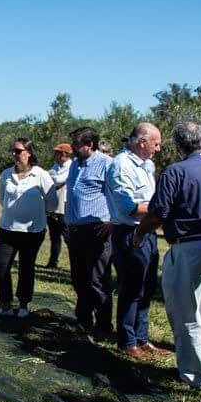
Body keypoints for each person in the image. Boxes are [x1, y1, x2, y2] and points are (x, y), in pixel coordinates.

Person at [136, 121, 201, 388]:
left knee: (185, 311)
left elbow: (158, 212)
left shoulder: (175, 171)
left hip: (189, 247)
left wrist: (139, 233)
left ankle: (193, 375)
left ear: (178, 145)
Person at [106, 122, 167, 359]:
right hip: (129, 233)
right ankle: (127, 341)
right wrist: (161, 208)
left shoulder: (146, 165)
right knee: (131, 287)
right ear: (142, 142)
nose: (158, 149)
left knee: (147, 286)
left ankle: (142, 338)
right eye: (156, 144)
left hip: (147, 230)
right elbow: (128, 206)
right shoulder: (121, 166)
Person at [0, 139, 55, 317]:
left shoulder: (40, 175)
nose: (15, 154)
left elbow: (52, 201)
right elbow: (2, 197)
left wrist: (39, 212)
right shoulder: (7, 174)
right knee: (1, 265)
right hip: (8, 228)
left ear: (29, 153)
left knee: (26, 267)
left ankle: (23, 306)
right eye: (13, 150)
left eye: (18, 151)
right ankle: (5, 305)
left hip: (32, 231)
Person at [65, 127, 114, 341]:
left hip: (97, 228)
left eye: (76, 144)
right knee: (79, 277)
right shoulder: (75, 165)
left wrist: (110, 221)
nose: (72, 148)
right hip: (76, 229)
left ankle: (104, 325)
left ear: (90, 144)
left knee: (97, 278)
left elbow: (115, 193)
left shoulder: (106, 164)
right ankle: (83, 319)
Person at [45, 143, 73, 268]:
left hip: (64, 206)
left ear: (64, 154)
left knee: (68, 236)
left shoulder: (71, 166)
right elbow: (48, 179)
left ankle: (75, 262)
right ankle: (53, 262)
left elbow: (58, 180)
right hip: (53, 206)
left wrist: (52, 177)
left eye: (57, 153)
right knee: (54, 236)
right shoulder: (56, 166)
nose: (55, 155)